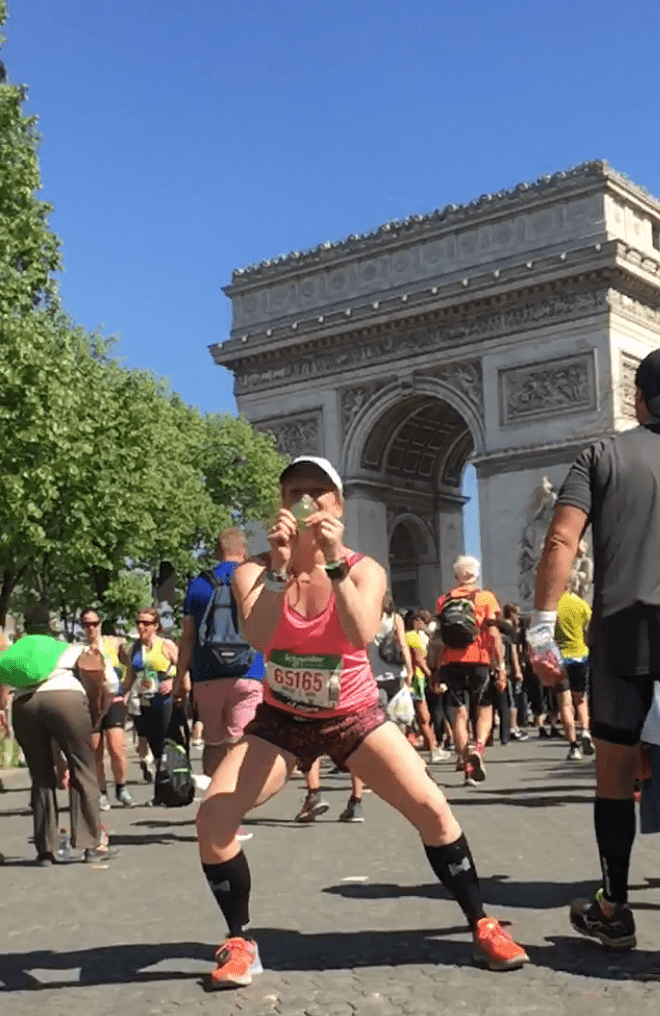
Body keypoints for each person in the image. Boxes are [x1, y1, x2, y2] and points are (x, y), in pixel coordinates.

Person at [195, 455, 527, 988]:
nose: (307, 501)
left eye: (318, 492)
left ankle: (482, 923)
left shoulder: (364, 569)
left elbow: (359, 632)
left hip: (353, 713)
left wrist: (333, 563)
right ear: (282, 504)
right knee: (213, 816)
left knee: (433, 809)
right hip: (281, 717)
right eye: (295, 492)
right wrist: (280, 569)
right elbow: (260, 637)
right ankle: (240, 940)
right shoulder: (254, 570)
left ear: (339, 505)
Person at [530, 347, 660, 951]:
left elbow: (561, 539)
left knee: (614, 769)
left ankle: (613, 907)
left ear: (638, 397)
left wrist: (542, 623)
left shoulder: (601, 455)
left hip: (621, 629)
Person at [0, 605, 119, 864]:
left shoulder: (17, 651)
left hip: (24, 704)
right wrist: (98, 711)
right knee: (83, 768)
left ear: (25, 628)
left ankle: (46, 849)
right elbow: (110, 681)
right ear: (51, 629)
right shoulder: (68, 648)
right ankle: (90, 844)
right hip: (65, 697)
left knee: (41, 776)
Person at [174, 527, 264, 780]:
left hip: (207, 674)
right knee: (241, 742)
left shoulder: (200, 584)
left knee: (213, 742)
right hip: (248, 672)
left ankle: (214, 794)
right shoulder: (255, 579)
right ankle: (237, 797)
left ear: (217, 552)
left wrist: (180, 677)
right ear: (244, 551)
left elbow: (188, 636)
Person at [436, 557, 507, 786]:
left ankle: (467, 766)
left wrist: (436, 670)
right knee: (484, 709)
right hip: (479, 660)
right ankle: (478, 747)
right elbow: (494, 634)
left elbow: (438, 639)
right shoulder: (485, 598)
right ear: (476, 575)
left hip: (451, 662)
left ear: (456, 575)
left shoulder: (444, 600)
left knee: (459, 714)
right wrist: (501, 666)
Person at [80, 609, 133, 809]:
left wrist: (126, 688)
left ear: (100, 624)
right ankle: (101, 792)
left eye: (94, 624)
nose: (91, 628)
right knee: (95, 751)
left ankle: (121, 786)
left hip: (113, 701)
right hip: (91, 704)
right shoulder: (80, 650)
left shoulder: (112, 643)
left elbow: (131, 665)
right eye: (87, 625)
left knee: (117, 747)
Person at [124, 608, 178, 800]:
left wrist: (172, 681)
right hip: (142, 699)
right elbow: (130, 675)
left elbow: (181, 667)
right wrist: (122, 695)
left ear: (155, 626)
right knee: (152, 744)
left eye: (146, 623)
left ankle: (171, 787)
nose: (141, 626)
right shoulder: (134, 648)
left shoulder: (166, 645)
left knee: (165, 743)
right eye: (139, 622)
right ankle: (161, 790)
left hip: (162, 698)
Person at [404, 609, 449, 764]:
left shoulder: (405, 636)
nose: (423, 624)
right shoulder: (412, 636)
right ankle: (432, 748)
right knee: (424, 716)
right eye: (420, 621)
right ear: (414, 621)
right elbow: (419, 660)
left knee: (418, 716)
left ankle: (430, 745)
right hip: (417, 679)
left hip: (413, 679)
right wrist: (432, 676)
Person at [555, 581, 593, 761]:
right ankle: (585, 730)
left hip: (560, 658)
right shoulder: (581, 604)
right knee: (581, 699)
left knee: (565, 704)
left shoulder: (554, 607)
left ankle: (573, 746)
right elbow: (590, 629)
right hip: (580, 656)